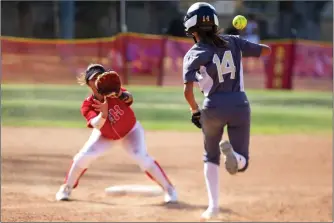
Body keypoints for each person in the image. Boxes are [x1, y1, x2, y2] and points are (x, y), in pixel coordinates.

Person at [182, 2, 271, 221]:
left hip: (212, 106)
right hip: (239, 104)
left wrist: (195, 111)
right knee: (243, 162)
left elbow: (187, 90)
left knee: (209, 156)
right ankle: (236, 158)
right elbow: (266, 51)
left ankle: (213, 208)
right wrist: (242, 44)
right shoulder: (233, 42)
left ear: (191, 27)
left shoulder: (194, 53)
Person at [55, 64, 177, 203]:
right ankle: (67, 187)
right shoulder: (88, 105)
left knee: (141, 157)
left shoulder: (115, 92)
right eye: (94, 78)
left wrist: (120, 93)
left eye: (100, 77)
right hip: (105, 136)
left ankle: (169, 189)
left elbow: (129, 98)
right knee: (82, 157)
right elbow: (96, 125)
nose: (97, 80)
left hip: (131, 131)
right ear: (88, 83)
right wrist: (103, 113)